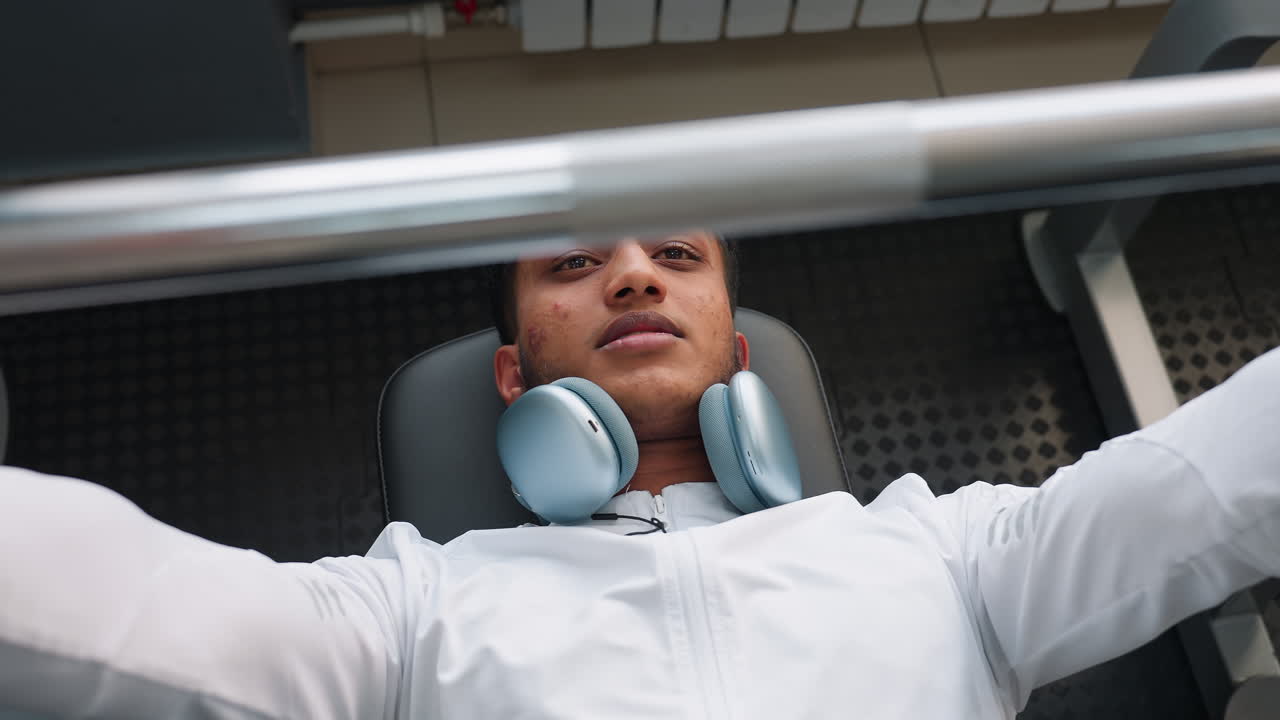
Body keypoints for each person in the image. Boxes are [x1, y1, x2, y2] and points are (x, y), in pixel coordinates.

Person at [0, 230, 1278, 719]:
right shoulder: (416, 608)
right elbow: (121, 615)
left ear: (734, 338)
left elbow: (1208, 486)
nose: (628, 275)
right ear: (511, 375)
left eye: (675, 252)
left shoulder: (945, 555)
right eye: (569, 264)